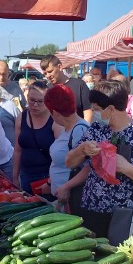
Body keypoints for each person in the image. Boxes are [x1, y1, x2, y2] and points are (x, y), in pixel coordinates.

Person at [66, 80, 133, 236]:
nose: (94, 113)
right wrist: (81, 150)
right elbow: (69, 162)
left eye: (96, 109)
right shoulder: (96, 130)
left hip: (127, 215)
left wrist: (126, 167)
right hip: (93, 208)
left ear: (110, 109)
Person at [43, 84, 90, 212]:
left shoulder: (80, 130)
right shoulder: (67, 128)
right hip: (62, 197)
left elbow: (89, 168)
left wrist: (66, 186)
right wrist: (49, 182)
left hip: (72, 201)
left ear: (55, 113)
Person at [13, 80, 61, 194]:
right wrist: (14, 178)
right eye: (31, 100)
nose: (35, 105)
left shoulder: (55, 120)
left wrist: (51, 182)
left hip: (47, 177)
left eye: (40, 102)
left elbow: (61, 156)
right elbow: (17, 150)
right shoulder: (22, 117)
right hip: (25, 175)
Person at [41, 55, 93, 123]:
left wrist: (84, 130)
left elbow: (88, 110)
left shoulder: (79, 85)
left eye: (50, 71)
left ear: (60, 67)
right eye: (45, 73)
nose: (47, 75)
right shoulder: (47, 89)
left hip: (78, 130)